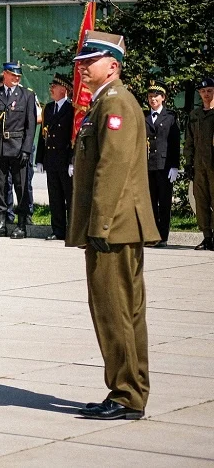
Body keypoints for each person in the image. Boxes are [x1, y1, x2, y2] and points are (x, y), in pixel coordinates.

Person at [69, 31, 157, 420]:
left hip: (114, 226)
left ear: (113, 65)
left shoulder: (115, 102)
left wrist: (99, 225)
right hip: (119, 225)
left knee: (113, 309)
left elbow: (113, 169)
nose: (83, 68)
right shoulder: (106, 102)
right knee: (126, 310)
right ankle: (130, 390)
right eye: (82, 62)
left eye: (91, 61)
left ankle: (125, 395)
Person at [0, 61, 37, 239]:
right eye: (13, 75)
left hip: (18, 147)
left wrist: (27, 150)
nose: (16, 78)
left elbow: (30, 127)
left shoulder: (27, 95)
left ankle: (21, 224)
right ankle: (2, 222)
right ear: (4, 74)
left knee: (21, 187)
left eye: (18, 76)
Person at [35, 74, 75, 242]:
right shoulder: (49, 108)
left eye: (55, 86)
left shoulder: (72, 109)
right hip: (51, 160)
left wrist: (73, 161)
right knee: (55, 197)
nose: (51, 88)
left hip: (65, 161)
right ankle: (58, 230)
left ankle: (73, 231)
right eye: (51, 85)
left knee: (70, 198)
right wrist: (39, 159)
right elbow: (44, 135)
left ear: (64, 89)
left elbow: (74, 137)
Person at [143, 85, 179, 249]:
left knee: (164, 203)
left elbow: (174, 143)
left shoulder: (170, 117)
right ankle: (151, 235)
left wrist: (175, 166)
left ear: (163, 98)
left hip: (164, 165)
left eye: (156, 96)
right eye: (150, 96)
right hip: (148, 164)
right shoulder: (144, 116)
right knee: (150, 202)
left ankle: (163, 236)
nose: (153, 99)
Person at [184, 77, 214, 250]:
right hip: (199, 164)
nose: (206, 94)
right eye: (202, 92)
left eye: (209, 91)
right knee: (201, 200)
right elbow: (189, 142)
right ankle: (207, 236)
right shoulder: (195, 115)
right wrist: (188, 163)